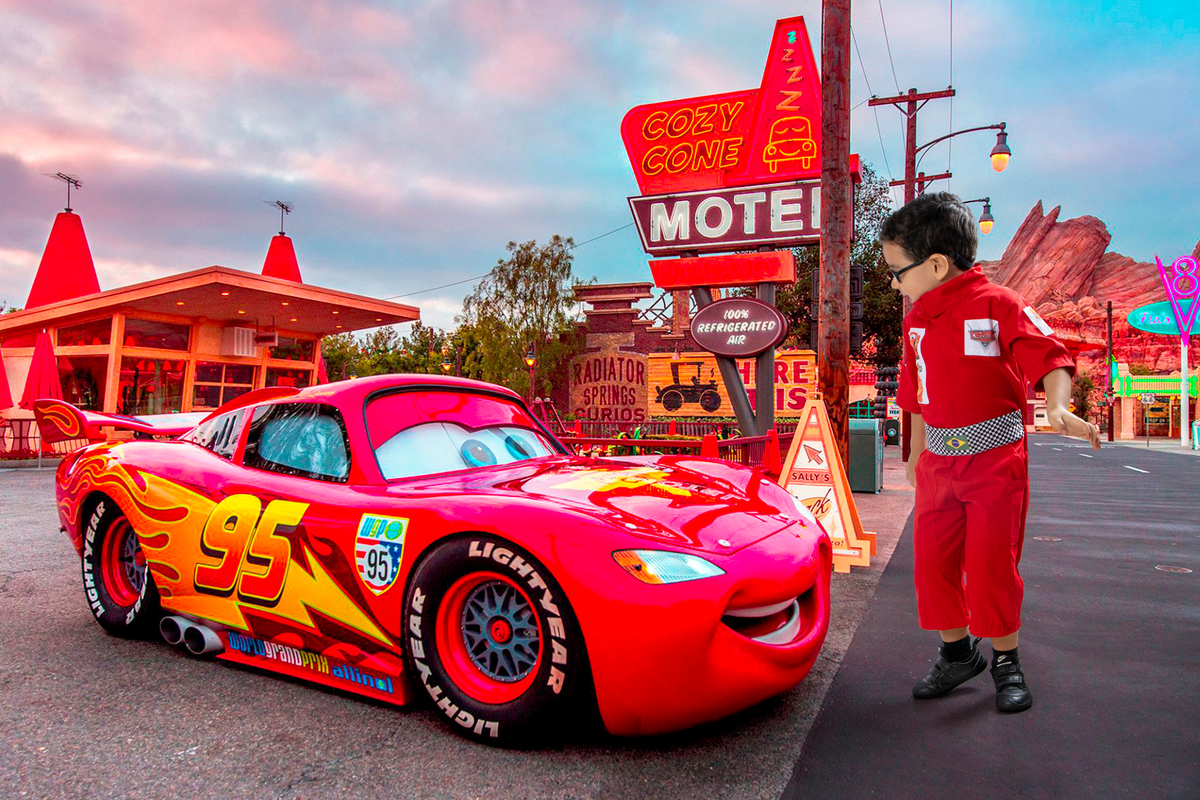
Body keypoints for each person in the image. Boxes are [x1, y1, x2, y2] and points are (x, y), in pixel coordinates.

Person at [884, 193, 1101, 714]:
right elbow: (916, 392)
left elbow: (1049, 354)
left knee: (991, 564)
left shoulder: (999, 304)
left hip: (995, 461)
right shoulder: (916, 323)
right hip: (939, 464)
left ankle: (1007, 660)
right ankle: (958, 653)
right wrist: (915, 453)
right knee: (932, 564)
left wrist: (1058, 405)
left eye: (897, 271)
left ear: (937, 265)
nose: (894, 283)